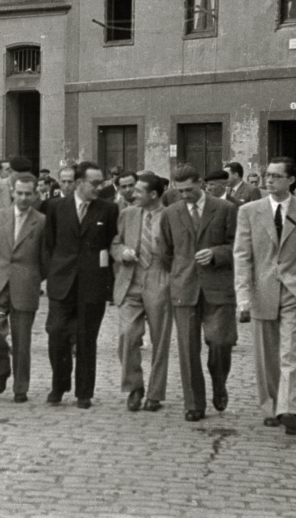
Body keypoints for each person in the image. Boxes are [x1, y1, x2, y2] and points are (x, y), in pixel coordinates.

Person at [234, 156, 296, 436]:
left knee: (291, 352)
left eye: (276, 176)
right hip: (261, 291)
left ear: (291, 180)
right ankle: (271, 407)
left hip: (294, 291)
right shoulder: (250, 211)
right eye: (268, 175)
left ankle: (290, 410)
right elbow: (242, 256)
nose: (270, 180)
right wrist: (243, 295)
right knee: (266, 356)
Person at [160, 164, 238, 423]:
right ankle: (194, 403)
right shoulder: (170, 213)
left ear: (201, 183)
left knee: (221, 342)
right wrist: (179, 273)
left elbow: (239, 246)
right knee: (187, 349)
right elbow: (165, 253)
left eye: (189, 190)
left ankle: (219, 382)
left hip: (219, 286)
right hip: (184, 288)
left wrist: (217, 253)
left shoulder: (225, 209)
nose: (185, 195)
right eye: (180, 191)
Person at [43, 161, 118, 409]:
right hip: (61, 282)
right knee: (56, 333)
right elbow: (48, 244)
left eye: (101, 182)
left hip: (92, 284)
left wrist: (107, 284)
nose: (99, 187)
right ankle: (59, 384)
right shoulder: (55, 207)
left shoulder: (108, 209)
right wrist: (51, 273)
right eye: (94, 183)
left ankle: (84, 392)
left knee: (87, 338)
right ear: (78, 183)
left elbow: (110, 245)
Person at [0, 174, 45, 403]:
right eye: (20, 193)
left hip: (26, 284)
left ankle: (20, 388)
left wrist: (32, 276)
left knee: (22, 340)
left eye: (28, 194)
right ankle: (2, 367)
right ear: (12, 193)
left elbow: (45, 257)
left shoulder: (41, 221)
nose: (23, 198)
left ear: (35, 195)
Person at [111, 173, 173, 413]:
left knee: (160, 340)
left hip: (160, 279)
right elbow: (115, 243)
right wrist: (122, 252)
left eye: (138, 191)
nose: (131, 193)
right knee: (127, 335)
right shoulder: (128, 214)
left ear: (154, 194)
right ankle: (134, 386)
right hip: (131, 280)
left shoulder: (170, 216)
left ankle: (155, 394)